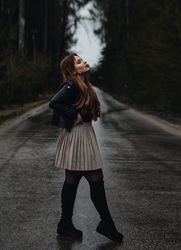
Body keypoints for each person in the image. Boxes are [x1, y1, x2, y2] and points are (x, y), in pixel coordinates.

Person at [48, 53, 123, 242]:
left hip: (84, 136)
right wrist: (73, 115)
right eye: (80, 62)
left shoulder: (83, 86)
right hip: (77, 136)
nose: (85, 62)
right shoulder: (71, 85)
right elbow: (54, 102)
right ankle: (107, 225)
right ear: (73, 70)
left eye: (83, 59)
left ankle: (65, 224)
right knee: (94, 179)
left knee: (72, 181)